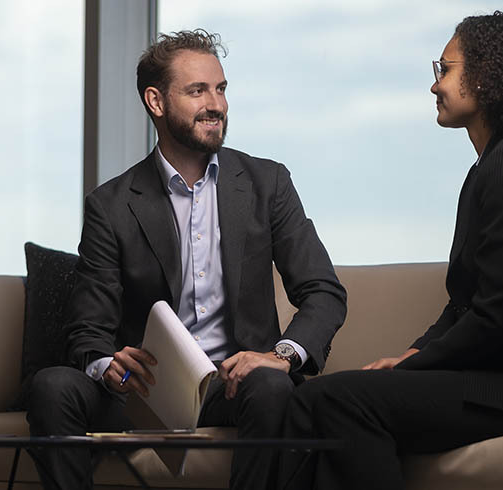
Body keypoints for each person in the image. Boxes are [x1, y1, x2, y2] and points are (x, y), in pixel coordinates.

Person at [279, 11, 503, 490]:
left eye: (444, 70)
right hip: (500, 382)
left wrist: (412, 366)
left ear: (485, 78)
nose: (435, 85)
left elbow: (497, 321)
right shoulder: (490, 168)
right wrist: (411, 353)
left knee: (337, 399)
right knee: (316, 399)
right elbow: (463, 304)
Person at [26, 29, 347, 490]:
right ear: (156, 102)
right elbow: (88, 329)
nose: (215, 103)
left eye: (220, 88)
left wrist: (279, 356)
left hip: (234, 385)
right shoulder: (111, 205)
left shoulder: (267, 183)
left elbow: (323, 291)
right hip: (142, 391)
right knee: (51, 386)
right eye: (197, 91)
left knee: (273, 387)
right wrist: (105, 363)